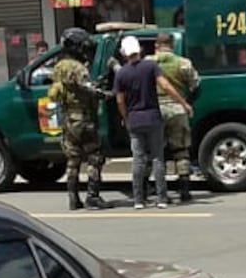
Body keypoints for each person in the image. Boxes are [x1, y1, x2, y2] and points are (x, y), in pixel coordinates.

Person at [114, 34, 191, 209]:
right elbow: (165, 86)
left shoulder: (121, 73)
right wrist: (183, 103)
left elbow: (119, 100)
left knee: (138, 159)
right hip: (153, 118)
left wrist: (126, 118)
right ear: (139, 50)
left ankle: (139, 200)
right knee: (157, 158)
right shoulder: (150, 66)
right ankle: (162, 198)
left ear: (124, 53)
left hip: (135, 120)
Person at [47, 28, 110, 210]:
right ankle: (93, 196)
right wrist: (104, 94)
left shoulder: (58, 67)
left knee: (73, 159)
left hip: (67, 118)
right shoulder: (78, 68)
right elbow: (87, 89)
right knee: (94, 157)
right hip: (83, 117)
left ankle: (73, 199)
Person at [154, 31, 201, 203]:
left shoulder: (148, 63)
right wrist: (186, 101)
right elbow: (195, 84)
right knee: (181, 150)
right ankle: (185, 190)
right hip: (177, 109)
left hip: (155, 111)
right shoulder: (183, 63)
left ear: (156, 46)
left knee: (154, 151)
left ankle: (151, 190)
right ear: (172, 45)